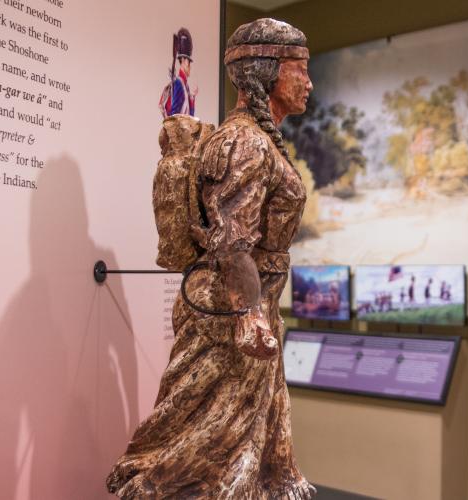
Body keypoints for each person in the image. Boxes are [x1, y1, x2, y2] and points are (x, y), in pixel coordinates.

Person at [109, 19, 314, 500]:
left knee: (241, 439)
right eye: (299, 69)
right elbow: (232, 240)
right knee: (201, 442)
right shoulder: (244, 142)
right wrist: (248, 316)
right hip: (226, 314)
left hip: (251, 307)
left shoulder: (260, 141)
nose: (308, 82)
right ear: (266, 73)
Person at [159, 28, 197, 117]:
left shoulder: (185, 85)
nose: (190, 67)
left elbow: (190, 116)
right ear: (183, 61)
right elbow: (174, 114)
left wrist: (192, 97)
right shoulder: (178, 83)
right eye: (188, 62)